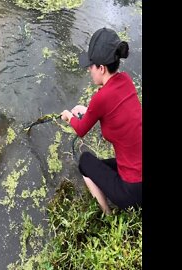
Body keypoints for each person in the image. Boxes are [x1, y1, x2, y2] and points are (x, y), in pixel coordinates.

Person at [60, 27, 142, 214]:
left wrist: (68, 116)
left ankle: (108, 214)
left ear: (101, 68)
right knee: (104, 166)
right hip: (137, 173)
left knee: (85, 162)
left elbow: (81, 129)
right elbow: (114, 112)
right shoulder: (126, 81)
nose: (89, 70)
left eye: (91, 66)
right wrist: (88, 111)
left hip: (134, 192)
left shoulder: (101, 98)